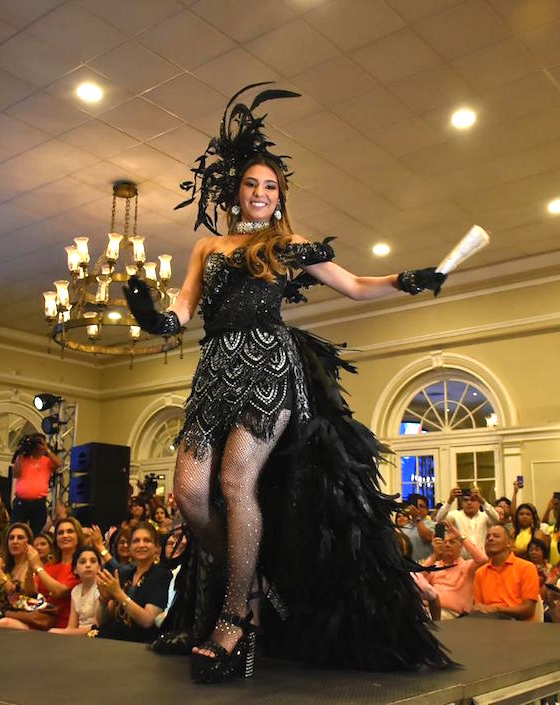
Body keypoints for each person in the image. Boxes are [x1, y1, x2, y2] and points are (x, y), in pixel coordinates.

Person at [123, 84, 450, 682]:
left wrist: (407, 278)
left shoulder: (291, 244)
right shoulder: (207, 246)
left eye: (270, 186)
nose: (260, 193)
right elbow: (181, 312)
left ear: (280, 198)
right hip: (214, 369)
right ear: (235, 192)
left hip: (267, 366)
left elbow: (353, 284)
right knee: (190, 495)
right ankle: (251, 583)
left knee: (232, 480)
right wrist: (151, 316)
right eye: (251, 184)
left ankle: (234, 617)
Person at [0, 517, 81, 631]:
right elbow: (30, 591)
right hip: (41, 620)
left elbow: (60, 591)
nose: (65, 535)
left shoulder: (79, 565)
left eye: (70, 531)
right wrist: (31, 569)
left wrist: (37, 567)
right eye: (60, 533)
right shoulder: (50, 566)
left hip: (61, 625)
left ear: (78, 536)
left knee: (4, 624)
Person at [95, 524, 172, 643]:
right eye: (136, 541)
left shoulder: (161, 575)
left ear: (157, 548)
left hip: (138, 645)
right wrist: (103, 601)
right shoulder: (125, 573)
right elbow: (102, 620)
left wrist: (119, 594)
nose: (141, 544)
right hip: (112, 639)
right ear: (130, 547)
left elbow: (147, 621)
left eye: (147, 540)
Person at [419, 519, 487, 618]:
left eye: (452, 542)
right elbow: (418, 580)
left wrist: (461, 537)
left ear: (460, 548)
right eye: (445, 542)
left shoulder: (467, 566)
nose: (447, 545)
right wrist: (434, 555)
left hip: (454, 615)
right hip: (430, 610)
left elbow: (483, 559)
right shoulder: (435, 565)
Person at [472, 525, 540, 621]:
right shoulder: (480, 572)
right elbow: (479, 608)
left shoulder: (526, 568)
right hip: (488, 623)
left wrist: (497, 609)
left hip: (518, 625)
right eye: (487, 537)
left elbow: (528, 610)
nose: (490, 539)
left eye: (496, 536)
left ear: (509, 543)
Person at [10, 434, 61, 537]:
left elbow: (59, 463)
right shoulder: (23, 459)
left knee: (38, 532)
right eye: (36, 443)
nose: (38, 445)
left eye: (40, 442)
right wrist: (21, 453)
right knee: (15, 530)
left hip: (38, 502)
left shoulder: (46, 460)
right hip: (21, 502)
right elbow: (15, 474)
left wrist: (47, 450)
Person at [434, 486, 501, 556]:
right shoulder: (454, 515)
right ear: (461, 503)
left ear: (479, 503)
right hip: (461, 560)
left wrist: (483, 501)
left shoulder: (485, 516)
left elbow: (497, 518)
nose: (469, 503)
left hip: (483, 558)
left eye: (473, 500)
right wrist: (450, 501)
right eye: (465, 500)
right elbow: (439, 519)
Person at [50, 546, 102, 636]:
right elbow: (71, 626)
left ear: (99, 567)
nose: (88, 565)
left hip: (95, 635)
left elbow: (96, 626)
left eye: (93, 561)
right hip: (77, 635)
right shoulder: (75, 590)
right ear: (75, 569)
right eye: (83, 562)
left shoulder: (100, 589)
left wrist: (63, 632)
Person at [401, 494, 436, 562]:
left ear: (427, 509)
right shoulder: (404, 528)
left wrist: (417, 518)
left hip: (427, 566)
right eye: (416, 506)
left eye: (421, 506)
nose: (418, 509)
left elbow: (427, 537)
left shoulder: (433, 524)